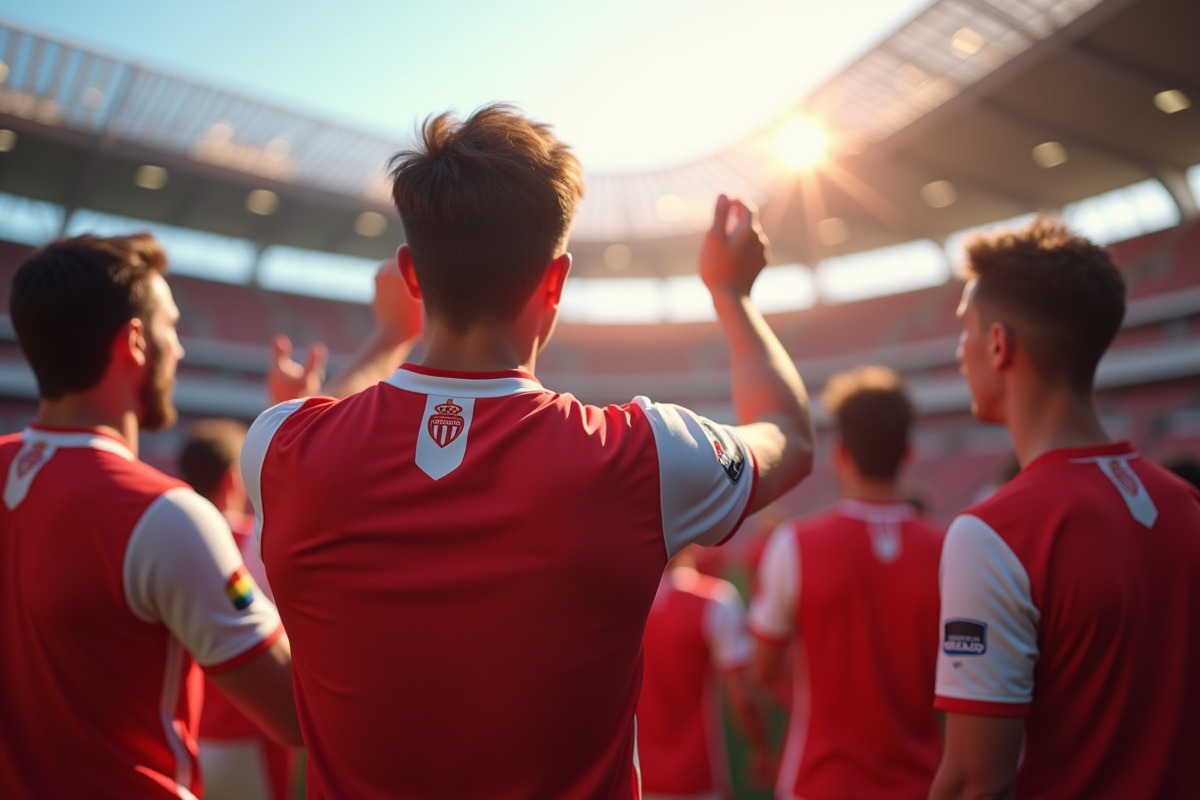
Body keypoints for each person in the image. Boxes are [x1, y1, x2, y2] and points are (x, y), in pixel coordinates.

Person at [241, 104, 815, 799]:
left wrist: (386, 338)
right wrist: (732, 295)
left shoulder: (278, 448)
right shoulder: (640, 456)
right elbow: (789, 433)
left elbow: (323, 413)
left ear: (412, 276)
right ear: (557, 281)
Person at [0, 233, 301, 799]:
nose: (181, 349)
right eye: (171, 327)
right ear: (135, 342)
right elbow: (293, 710)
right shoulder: (162, 514)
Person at [930, 217, 1200, 799]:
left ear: (999, 345)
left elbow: (975, 783)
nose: (959, 351)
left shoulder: (994, 534)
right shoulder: (1186, 504)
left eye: (966, 331)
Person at [749, 365, 943, 800]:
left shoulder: (794, 544)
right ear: (907, 452)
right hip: (924, 785)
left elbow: (763, 670)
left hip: (818, 783)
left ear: (840, 452)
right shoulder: (951, 549)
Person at [181, 419, 294, 800]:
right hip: (254, 733)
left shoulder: (166, 538)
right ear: (232, 478)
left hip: (187, 736)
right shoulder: (256, 540)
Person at [637, 546, 772, 800]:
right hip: (696, 779)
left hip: (634, 779)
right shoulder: (714, 599)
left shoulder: (622, 600)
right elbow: (743, 699)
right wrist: (764, 751)